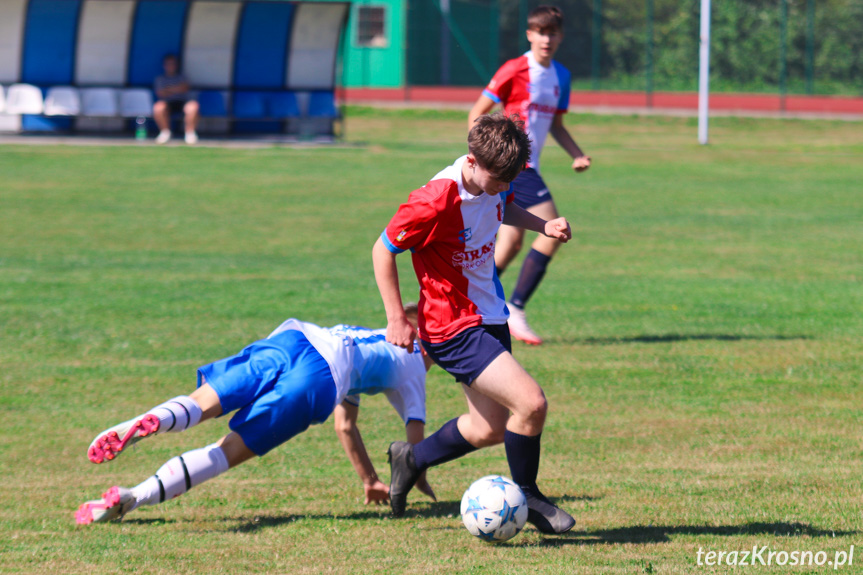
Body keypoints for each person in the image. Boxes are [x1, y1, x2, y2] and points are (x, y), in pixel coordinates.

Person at [372, 113, 576, 534]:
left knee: (488, 428)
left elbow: (503, 207)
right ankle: (530, 496)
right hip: (452, 324)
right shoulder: (433, 200)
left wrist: (543, 225)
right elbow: (382, 248)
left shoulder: (496, 179)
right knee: (531, 404)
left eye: (510, 179)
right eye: (498, 179)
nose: (504, 187)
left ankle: (411, 457)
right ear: (470, 160)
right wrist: (396, 318)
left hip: (489, 314)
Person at [76, 306, 436, 524]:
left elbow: (347, 425)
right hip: (320, 380)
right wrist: (417, 478)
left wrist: (369, 479)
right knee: (226, 451)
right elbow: (414, 449)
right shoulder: (414, 367)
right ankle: (134, 496)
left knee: (199, 403)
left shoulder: (374, 338)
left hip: (296, 340)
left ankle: (155, 420)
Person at [468, 5, 590, 345]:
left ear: (560, 37)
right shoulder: (514, 69)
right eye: (540, 32)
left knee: (511, 242)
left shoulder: (561, 76)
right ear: (529, 35)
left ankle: (471, 297)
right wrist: (487, 158)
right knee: (552, 229)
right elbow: (477, 114)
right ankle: (515, 307)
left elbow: (557, 126)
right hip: (516, 166)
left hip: (529, 167)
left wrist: (577, 154)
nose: (546, 39)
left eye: (553, 33)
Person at [152, 54, 199, 145]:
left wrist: (168, 89)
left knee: (193, 106)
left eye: (173, 64)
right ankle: (165, 133)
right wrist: (177, 88)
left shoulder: (182, 77)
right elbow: (161, 93)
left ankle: (189, 133)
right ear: (164, 65)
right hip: (168, 102)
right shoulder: (160, 79)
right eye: (168, 64)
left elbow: (185, 88)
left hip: (182, 101)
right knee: (158, 107)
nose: (171, 66)